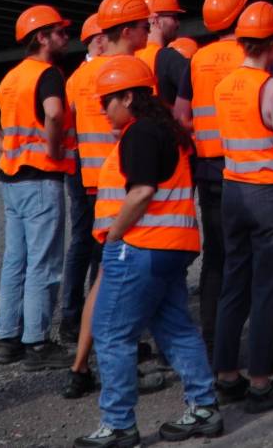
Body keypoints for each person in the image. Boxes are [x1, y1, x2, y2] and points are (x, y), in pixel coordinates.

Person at [77, 55, 222, 448]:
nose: (102, 110)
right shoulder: (163, 131)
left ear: (127, 97)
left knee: (111, 333)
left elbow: (141, 191)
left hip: (139, 246)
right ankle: (204, 407)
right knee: (174, 327)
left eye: (106, 102)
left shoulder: (140, 133)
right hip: (170, 247)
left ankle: (119, 425)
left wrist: (114, 235)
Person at [65, 0, 167, 401]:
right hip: (126, 183)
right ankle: (116, 365)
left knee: (103, 276)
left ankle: (80, 366)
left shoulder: (78, 76)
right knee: (119, 280)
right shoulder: (135, 71)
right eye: (145, 25)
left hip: (92, 181)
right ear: (128, 30)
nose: (149, 30)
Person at [0, 5, 76, 370]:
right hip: (40, 179)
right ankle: (37, 343)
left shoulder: (11, 78)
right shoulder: (48, 75)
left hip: (11, 178)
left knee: (16, 261)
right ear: (42, 37)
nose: (65, 37)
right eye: (59, 32)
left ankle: (8, 340)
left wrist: (5, 147)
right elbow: (54, 113)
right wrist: (52, 148)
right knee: (44, 263)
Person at [211, 0, 273, 413]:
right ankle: (262, 383)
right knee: (265, 290)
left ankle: (227, 376)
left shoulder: (224, 85)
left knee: (234, 284)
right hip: (267, 194)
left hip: (232, 192)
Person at [188, 0, 249, 354]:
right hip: (245, 169)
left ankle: (211, 339)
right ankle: (263, 344)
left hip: (208, 168)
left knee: (216, 255)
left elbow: (183, 111)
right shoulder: (249, 52)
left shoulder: (196, 59)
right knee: (252, 258)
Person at [60, 13, 112, 348]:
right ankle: (99, 320)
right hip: (105, 171)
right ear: (100, 39)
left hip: (78, 168)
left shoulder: (74, 78)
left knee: (81, 241)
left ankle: (71, 317)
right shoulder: (108, 74)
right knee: (103, 248)